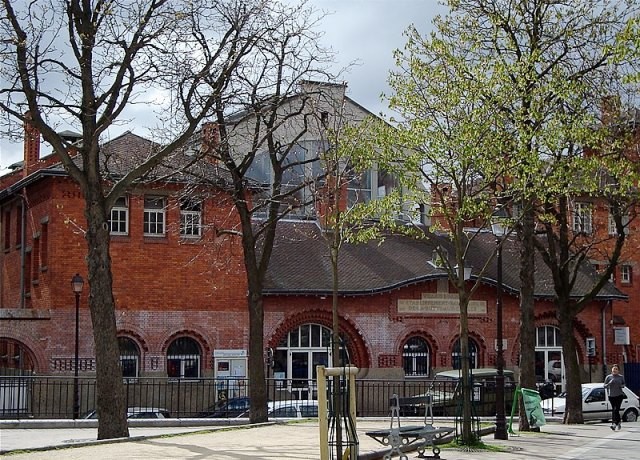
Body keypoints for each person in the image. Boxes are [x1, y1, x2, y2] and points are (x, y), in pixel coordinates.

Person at [604, 364, 626, 430]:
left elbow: (624, 384)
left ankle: (614, 424)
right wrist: (609, 383)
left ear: (618, 371)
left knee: (616, 409)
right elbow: (604, 386)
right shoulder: (608, 377)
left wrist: (621, 385)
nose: (615, 370)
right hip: (611, 395)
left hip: (619, 395)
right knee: (614, 410)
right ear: (611, 370)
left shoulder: (621, 377)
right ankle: (618, 422)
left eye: (616, 369)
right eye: (614, 369)